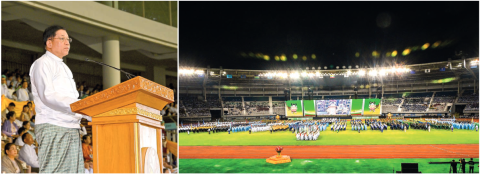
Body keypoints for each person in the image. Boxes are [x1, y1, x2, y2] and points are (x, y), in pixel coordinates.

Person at [29, 25, 91, 173]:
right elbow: (48, 96)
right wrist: (82, 109)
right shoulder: (42, 63)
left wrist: (87, 113)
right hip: (54, 125)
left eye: (68, 39)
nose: (67, 42)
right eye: (62, 38)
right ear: (49, 43)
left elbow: (72, 98)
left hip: (72, 128)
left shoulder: (64, 67)